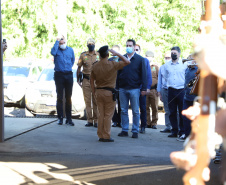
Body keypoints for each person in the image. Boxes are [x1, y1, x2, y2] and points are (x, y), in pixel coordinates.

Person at [90, 45, 130, 142]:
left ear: (100, 55)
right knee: (108, 115)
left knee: (101, 114)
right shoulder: (113, 64)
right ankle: (106, 135)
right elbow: (127, 61)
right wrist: (117, 54)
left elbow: (91, 81)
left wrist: (94, 92)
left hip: (98, 92)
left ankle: (100, 135)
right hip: (109, 93)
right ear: (108, 54)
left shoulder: (95, 65)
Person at [117, 39, 147, 139]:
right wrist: (117, 87)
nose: (128, 47)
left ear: (134, 47)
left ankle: (135, 131)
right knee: (123, 110)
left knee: (135, 111)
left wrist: (144, 88)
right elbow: (118, 73)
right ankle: (125, 130)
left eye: (130, 45)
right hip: (123, 88)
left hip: (134, 88)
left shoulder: (140, 59)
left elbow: (144, 75)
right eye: (127, 45)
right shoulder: (122, 58)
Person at [51, 35, 75, 126]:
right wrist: (57, 42)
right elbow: (53, 52)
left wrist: (67, 68)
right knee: (60, 97)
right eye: (61, 43)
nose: (62, 44)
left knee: (68, 98)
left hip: (68, 74)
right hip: (59, 75)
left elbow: (72, 61)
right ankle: (60, 118)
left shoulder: (70, 50)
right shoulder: (56, 49)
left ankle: (69, 118)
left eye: (63, 42)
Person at [164, 46, 187, 139]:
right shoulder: (167, 65)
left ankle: (182, 131)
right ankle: (174, 130)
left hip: (181, 90)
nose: (173, 54)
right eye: (172, 53)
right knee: (172, 111)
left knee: (182, 111)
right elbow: (166, 76)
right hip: (171, 90)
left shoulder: (184, 64)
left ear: (179, 54)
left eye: (175, 53)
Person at [77, 38, 99, 128]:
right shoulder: (83, 55)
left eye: (92, 43)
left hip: (96, 81)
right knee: (87, 101)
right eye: (89, 44)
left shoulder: (98, 54)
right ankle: (89, 120)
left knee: (96, 101)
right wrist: (78, 80)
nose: (91, 45)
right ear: (87, 45)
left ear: (94, 44)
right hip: (86, 80)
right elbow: (79, 68)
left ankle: (96, 120)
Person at [177, 55, 198, 142]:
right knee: (185, 116)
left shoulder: (198, 70)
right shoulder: (187, 69)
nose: (189, 62)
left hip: (195, 97)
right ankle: (186, 134)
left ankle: (194, 136)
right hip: (186, 96)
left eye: (191, 61)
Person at [134, 44, 152, 134]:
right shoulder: (129, 60)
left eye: (137, 49)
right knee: (134, 109)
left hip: (142, 89)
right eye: (134, 49)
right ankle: (135, 126)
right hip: (133, 88)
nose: (135, 50)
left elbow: (148, 75)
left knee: (143, 108)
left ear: (140, 51)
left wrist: (147, 87)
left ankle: (143, 126)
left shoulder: (144, 61)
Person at [157, 51, 172, 133]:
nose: (167, 59)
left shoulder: (177, 66)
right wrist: (159, 92)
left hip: (173, 89)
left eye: (168, 57)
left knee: (175, 110)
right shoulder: (162, 67)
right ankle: (168, 126)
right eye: (166, 58)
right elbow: (159, 80)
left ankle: (175, 127)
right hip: (164, 89)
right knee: (166, 109)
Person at [145, 50, 159, 129]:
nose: (149, 58)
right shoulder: (143, 65)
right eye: (147, 56)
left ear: (153, 58)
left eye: (150, 56)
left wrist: (158, 89)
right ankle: (147, 122)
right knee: (146, 107)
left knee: (154, 108)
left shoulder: (156, 67)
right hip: (146, 89)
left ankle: (154, 123)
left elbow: (159, 77)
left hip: (154, 90)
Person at [109, 45, 122, 128]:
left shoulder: (122, 60)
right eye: (113, 51)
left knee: (121, 104)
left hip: (120, 85)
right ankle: (115, 120)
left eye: (116, 51)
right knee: (112, 104)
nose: (114, 53)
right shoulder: (109, 61)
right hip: (111, 85)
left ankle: (120, 121)